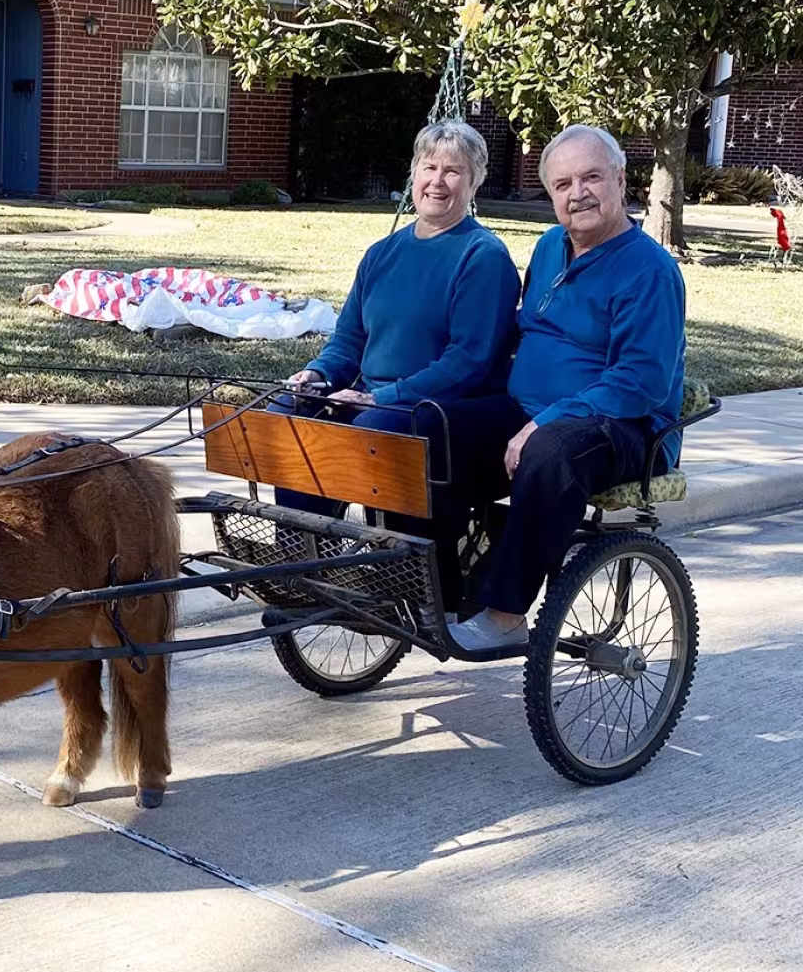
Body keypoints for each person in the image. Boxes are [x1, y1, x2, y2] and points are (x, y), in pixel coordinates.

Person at [446, 124, 687, 650]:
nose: (577, 193)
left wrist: (544, 421)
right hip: (528, 408)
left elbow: (639, 381)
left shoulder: (650, 271)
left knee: (551, 451)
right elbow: (521, 329)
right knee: (432, 426)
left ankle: (505, 613)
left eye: (592, 177)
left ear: (621, 181)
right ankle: (439, 590)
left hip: (625, 428)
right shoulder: (551, 246)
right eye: (562, 184)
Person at [275, 119, 520, 614]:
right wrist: (319, 375)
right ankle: (301, 561)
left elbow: (468, 362)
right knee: (285, 413)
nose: (438, 181)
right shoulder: (382, 254)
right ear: (412, 173)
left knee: (373, 427)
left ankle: (408, 575)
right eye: (429, 167)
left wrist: (377, 397)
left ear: (474, 183)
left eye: (454, 171)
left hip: (444, 408)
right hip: (374, 399)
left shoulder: (483, 256)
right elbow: (348, 341)